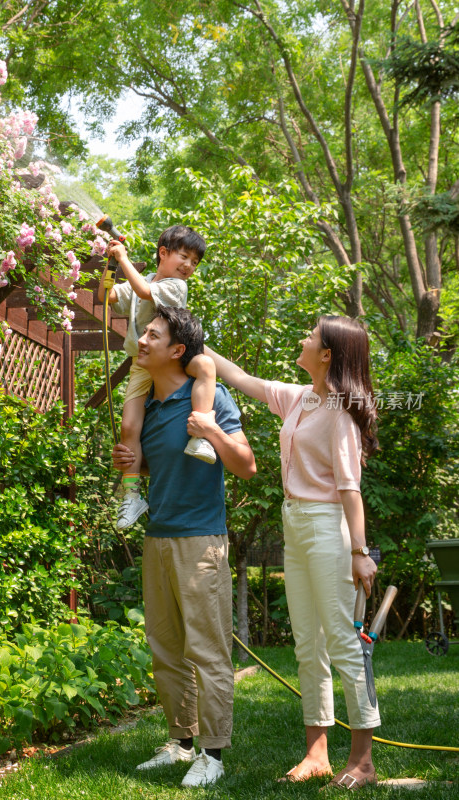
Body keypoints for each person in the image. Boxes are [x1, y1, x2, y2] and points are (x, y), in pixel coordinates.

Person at [204, 316, 380, 790]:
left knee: (343, 642)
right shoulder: (299, 398)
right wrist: (193, 338)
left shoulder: (340, 413)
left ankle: (362, 761)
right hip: (296, 524)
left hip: (329, 528)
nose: (302, 340)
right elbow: (239, 377)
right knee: (307, 643)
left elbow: (350, 489)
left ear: (327, 355)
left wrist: (359, 552)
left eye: (311, 337)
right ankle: (317, 754)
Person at [112, 305, 256, 788]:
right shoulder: (147, 407)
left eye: (153, 334)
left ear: (178, 350)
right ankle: (181, 743)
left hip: (200, 543)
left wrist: (210, 429)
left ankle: (213, 754)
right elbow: (162, 464)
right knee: (166, 650)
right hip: (158, 539)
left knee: (208, 651)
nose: (143, 340)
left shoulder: (211, 398)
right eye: (144, 332)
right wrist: (135, 461)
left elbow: (246, 466)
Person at [98, 225, 217, 530]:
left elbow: (144, 291)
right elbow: (106, 296)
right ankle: (132, 495)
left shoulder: (176, 287)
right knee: (128, 427)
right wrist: (109, 264)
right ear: (163, 253)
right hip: (143, 363)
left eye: (194, 262)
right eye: (184, 256)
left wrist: (123, 257)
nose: (189, 266)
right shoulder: (146, 280)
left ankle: (200, 438)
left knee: (204, 366)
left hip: (174, 358)